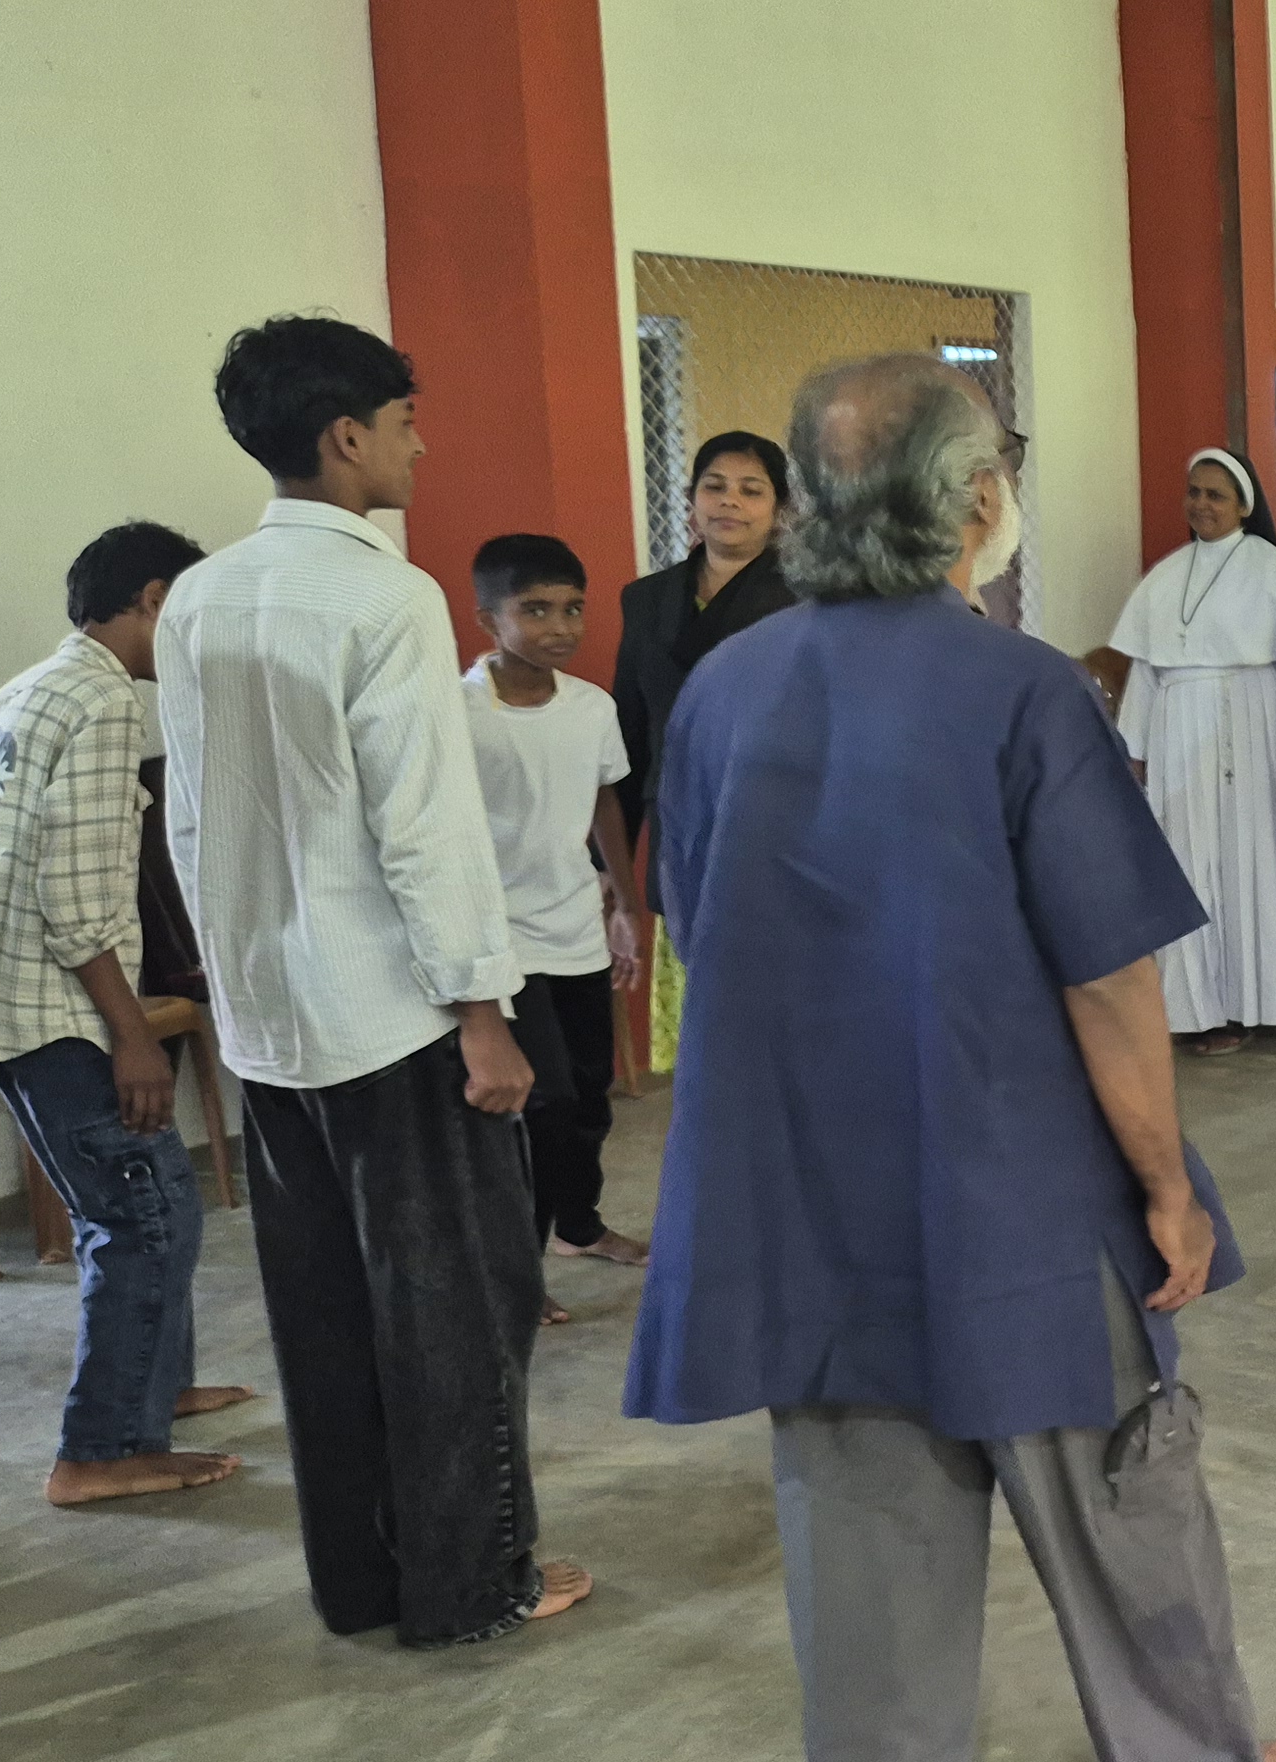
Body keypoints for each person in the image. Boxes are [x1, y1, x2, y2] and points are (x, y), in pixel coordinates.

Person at [624, 353, 1276, 1762]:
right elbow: (1108, 975)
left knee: (864, 1546)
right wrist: (1168, 1186)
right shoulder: (1022, 690)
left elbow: (697, 928)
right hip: (1015, 1188)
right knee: (1121, 1500)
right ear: (971, 501)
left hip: (812, 1202)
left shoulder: (724, 690)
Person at [164, 314, 584, 1645]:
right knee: (455, 1315)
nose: (421, 445)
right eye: (406, 422)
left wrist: (238, 979)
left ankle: (359, 1584)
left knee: (325, 1316)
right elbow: (425, 827)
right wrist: (484, 1014)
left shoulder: (200, 596)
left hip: (273, 1021)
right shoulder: (384, 597)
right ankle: (471, 1586)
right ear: (347, 438)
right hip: (394, 1018)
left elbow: (191, 818)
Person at [0, 521, 259, 1507]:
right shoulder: (105, 704)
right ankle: (102, 1449)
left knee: (142, 1205)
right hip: (56, 1004)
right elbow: (72, 901)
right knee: (142, 1213)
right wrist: (133, 1034)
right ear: (155, 600)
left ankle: (155, 1389)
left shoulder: (26, 690)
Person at [458, 535, 645, 1313]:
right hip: (503, 940)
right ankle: (518, 1273)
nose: (559, 627)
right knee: (545, 1103)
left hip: (576, 930)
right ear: (488, 619)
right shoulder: (458, 712)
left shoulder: (592, 707)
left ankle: (580, 1225)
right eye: (534, 610)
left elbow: (604, 802)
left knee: (591, 1095)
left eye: (572, 609)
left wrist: (626, 904)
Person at [1113, 448, 1276, 1054]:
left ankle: (1255, 1002)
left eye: (1215, 494)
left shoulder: (1273, 570)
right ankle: (1200, 1009)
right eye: (1193, 491)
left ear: (1244, 505)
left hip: (1253, 727)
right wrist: (1134, 750)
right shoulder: (1166, 575)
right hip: (1178, 735)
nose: (1201, 504)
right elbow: (1147, 671)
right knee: (1189, 863)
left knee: (1252, 862)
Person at [614, 428, 800, 1074]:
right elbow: (631, 730)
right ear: (690, 499)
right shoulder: (646, 599)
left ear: (780, 509)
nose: (730, 502)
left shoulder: (808, 598)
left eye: (752, 490)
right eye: (714, 487)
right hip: (680, 829)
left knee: (777, 1033)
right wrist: (614, 874)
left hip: (776, 828)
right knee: (707, 1045)